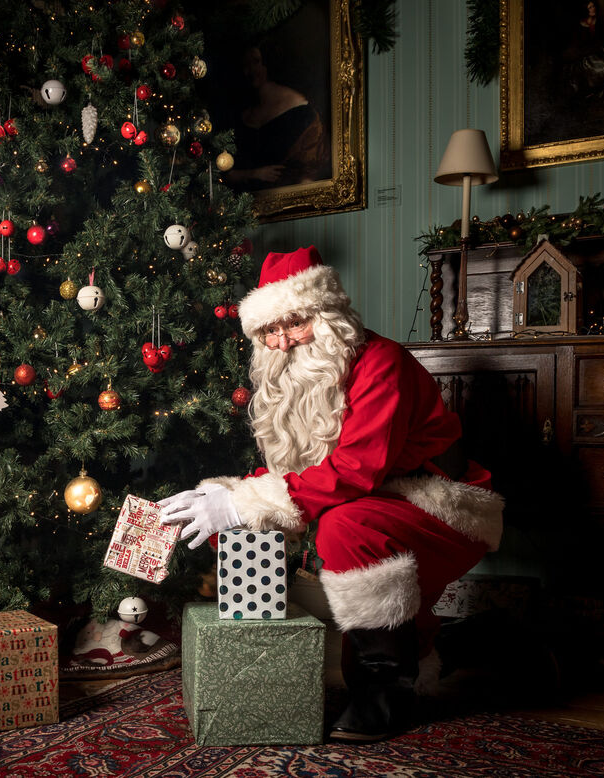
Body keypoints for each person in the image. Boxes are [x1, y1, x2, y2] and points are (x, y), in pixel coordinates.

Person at [160, 246, 504, 742]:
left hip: (442, 501)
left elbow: (356, 467)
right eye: (268, 332)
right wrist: (225, 498)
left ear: (327, 316)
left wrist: (245, 501)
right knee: (245, 515)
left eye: (293, 325)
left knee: (343, 526)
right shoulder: (289, 376)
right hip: (372, 499)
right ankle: (484, 642)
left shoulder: (381, 361)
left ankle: (382, 694)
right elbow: (299, 472)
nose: (281, 344)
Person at [223, 44, 329, 191]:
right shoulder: (242, 115)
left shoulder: (299, 108)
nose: (251, 71)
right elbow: (227, 174)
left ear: (268, 63)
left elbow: (309, 173)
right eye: (245, 65)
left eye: (256, 62)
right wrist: (254, 173)